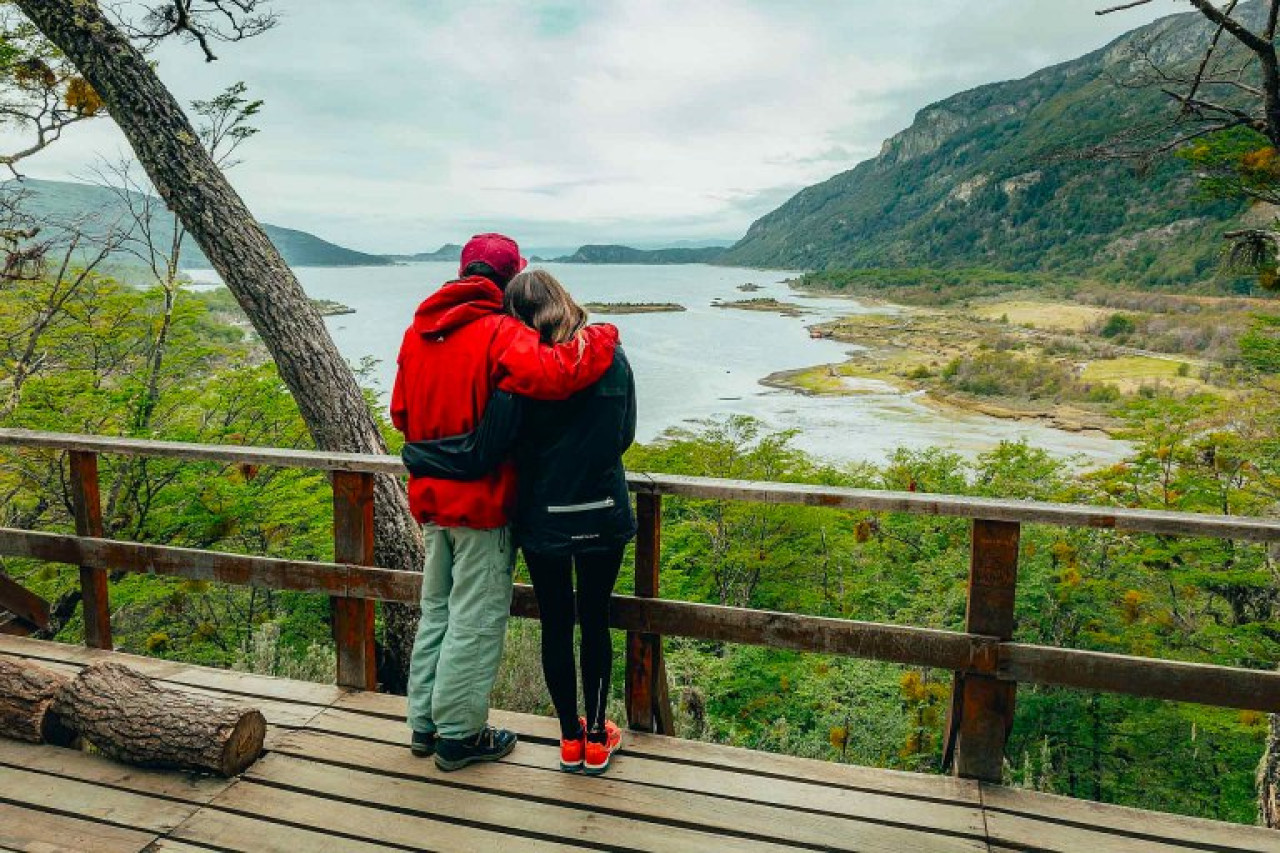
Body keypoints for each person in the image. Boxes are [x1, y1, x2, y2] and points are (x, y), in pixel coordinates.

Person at [391, 235, 620, 772]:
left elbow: (401, 414)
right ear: (510, 275)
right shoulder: (498, 331)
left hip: (431, 498)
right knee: (475, 616)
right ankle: (459, 735)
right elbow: (556, 374)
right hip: (483, 502)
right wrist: (604, 336)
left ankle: (424, 724)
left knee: (437, 614)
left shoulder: (417, 332)